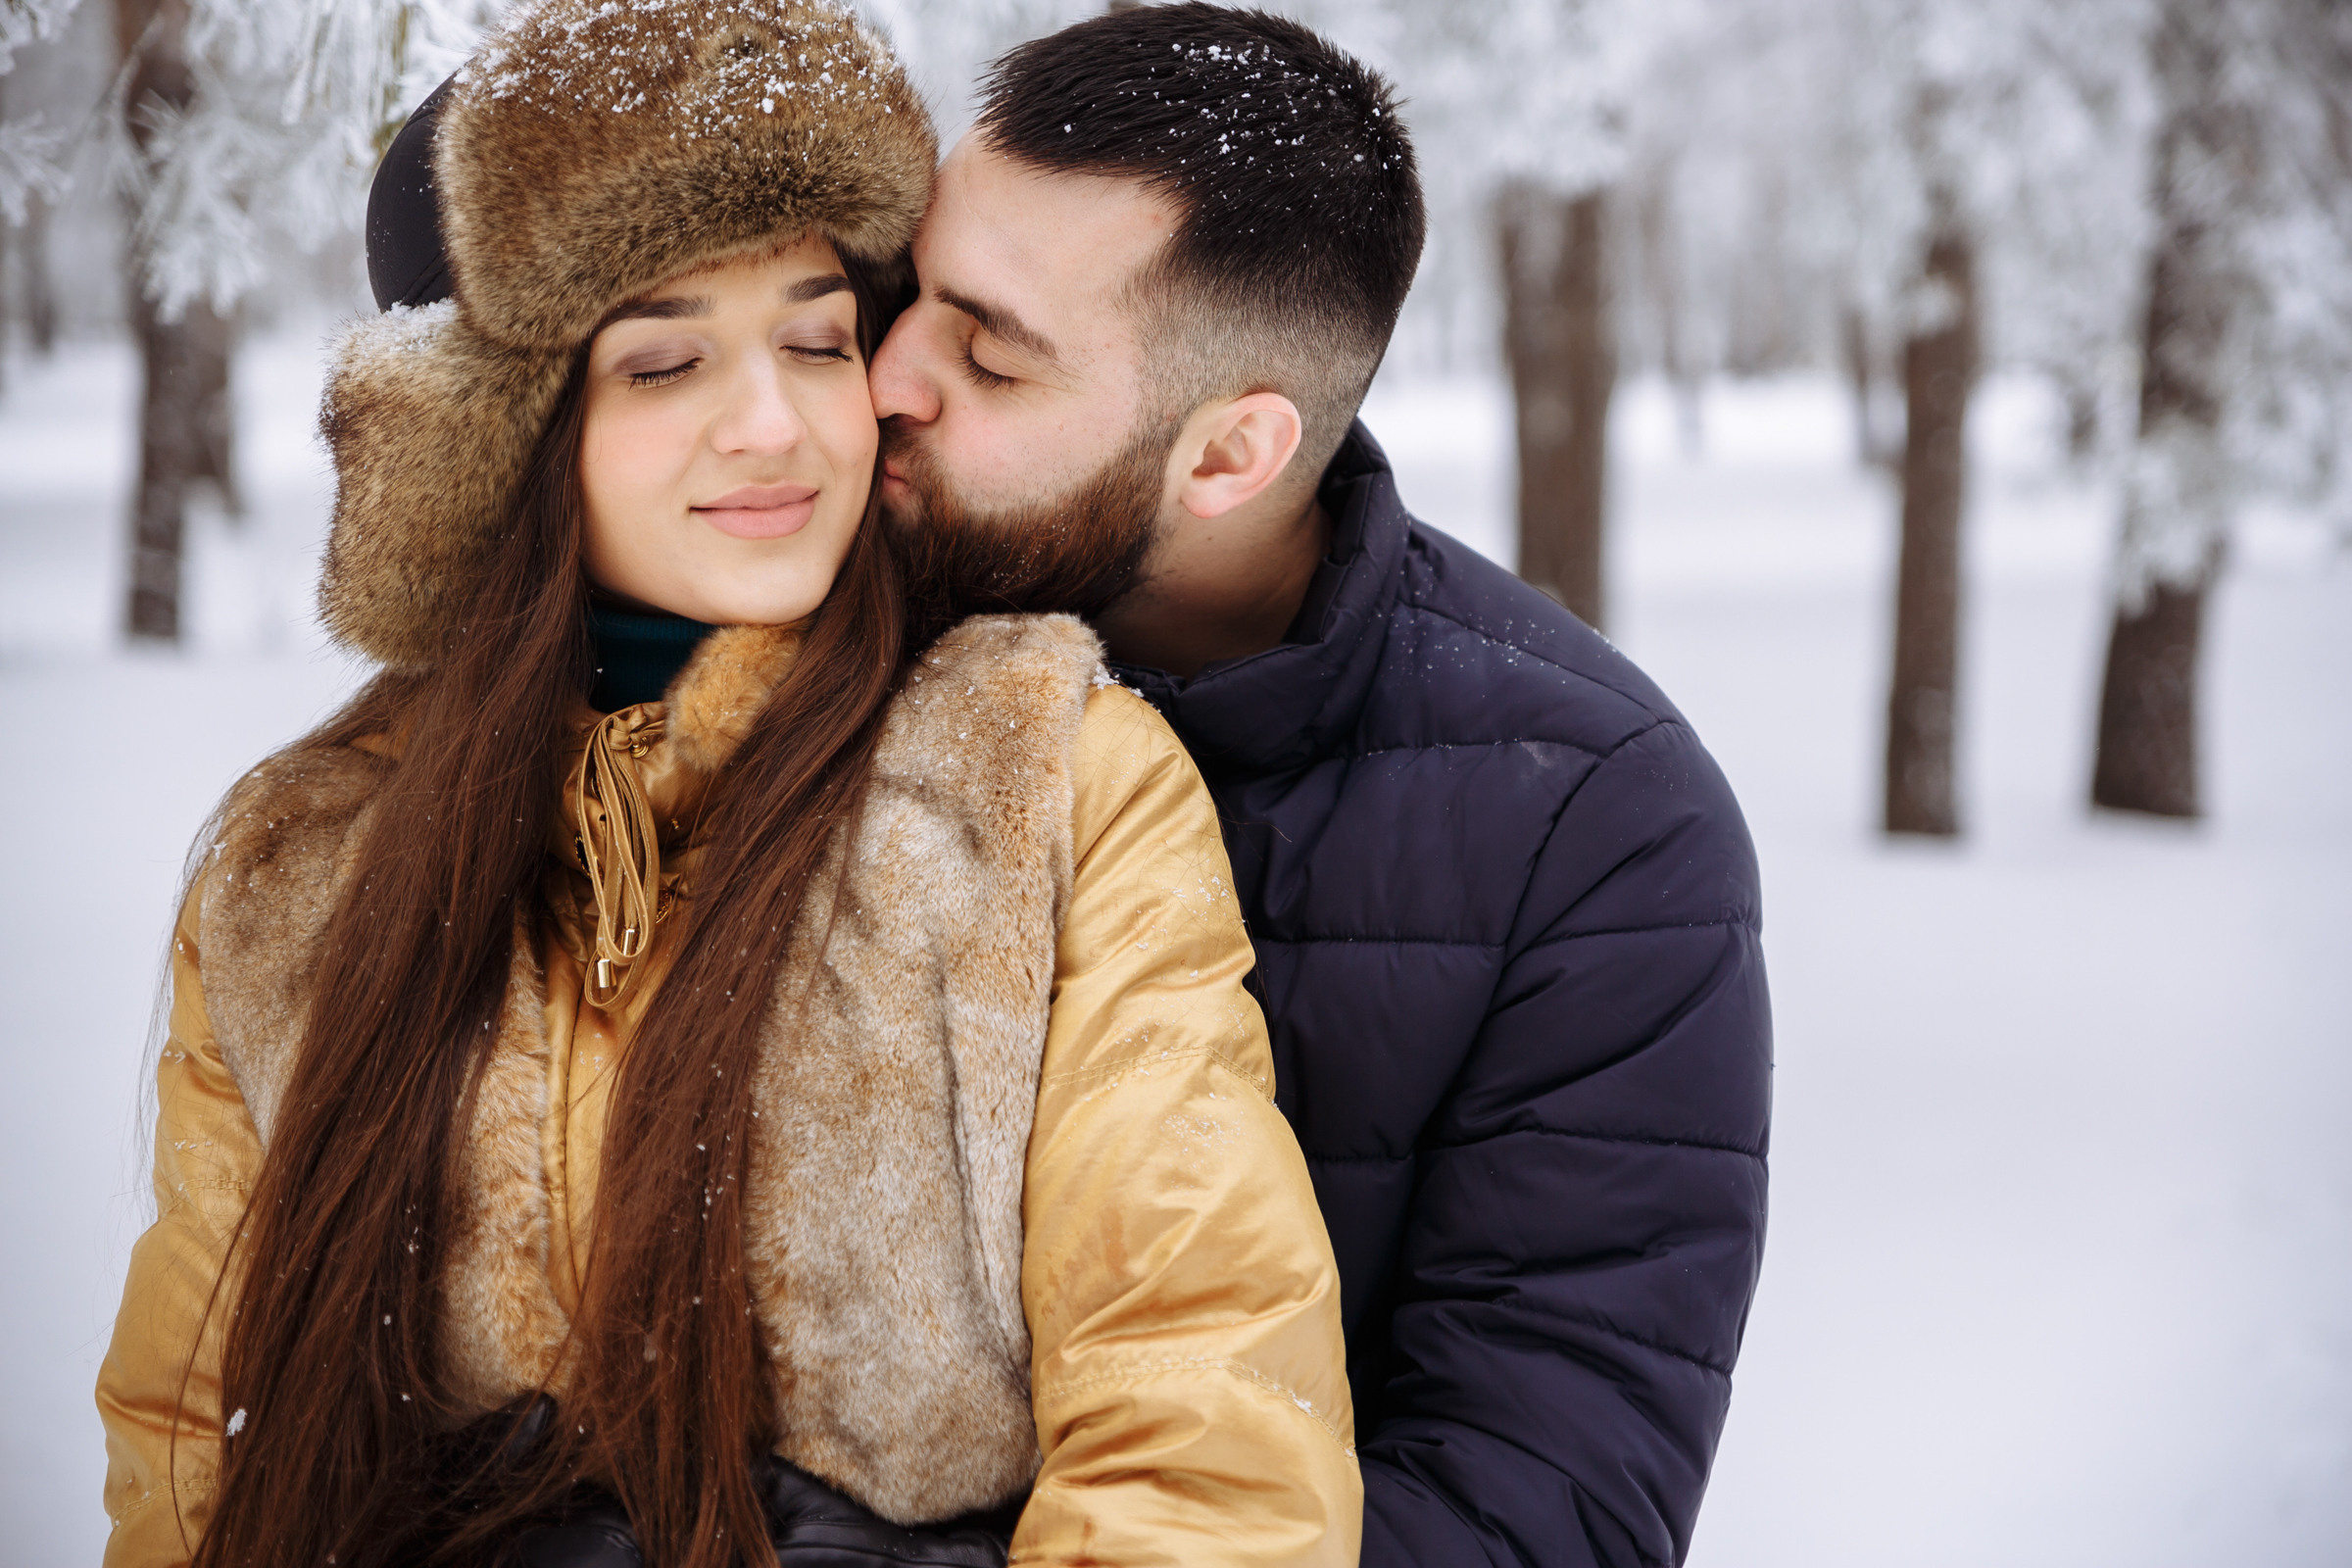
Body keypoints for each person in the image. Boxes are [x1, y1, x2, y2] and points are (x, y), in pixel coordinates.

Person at [92, 5, 1360, 1566]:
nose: (775, 426)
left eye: (820, 342)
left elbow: (1205, 1435)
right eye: (664, 361)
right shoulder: (298, 867)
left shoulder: (1041, 781)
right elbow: (190, 1459)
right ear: (500, 440)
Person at [866, 7, 1774, 1566]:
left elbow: (1536, 1500)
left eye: (990, 355)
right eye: (907, 296)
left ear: (1229, 456)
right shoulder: (798, 620)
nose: (887, 376)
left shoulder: (1597, 829)